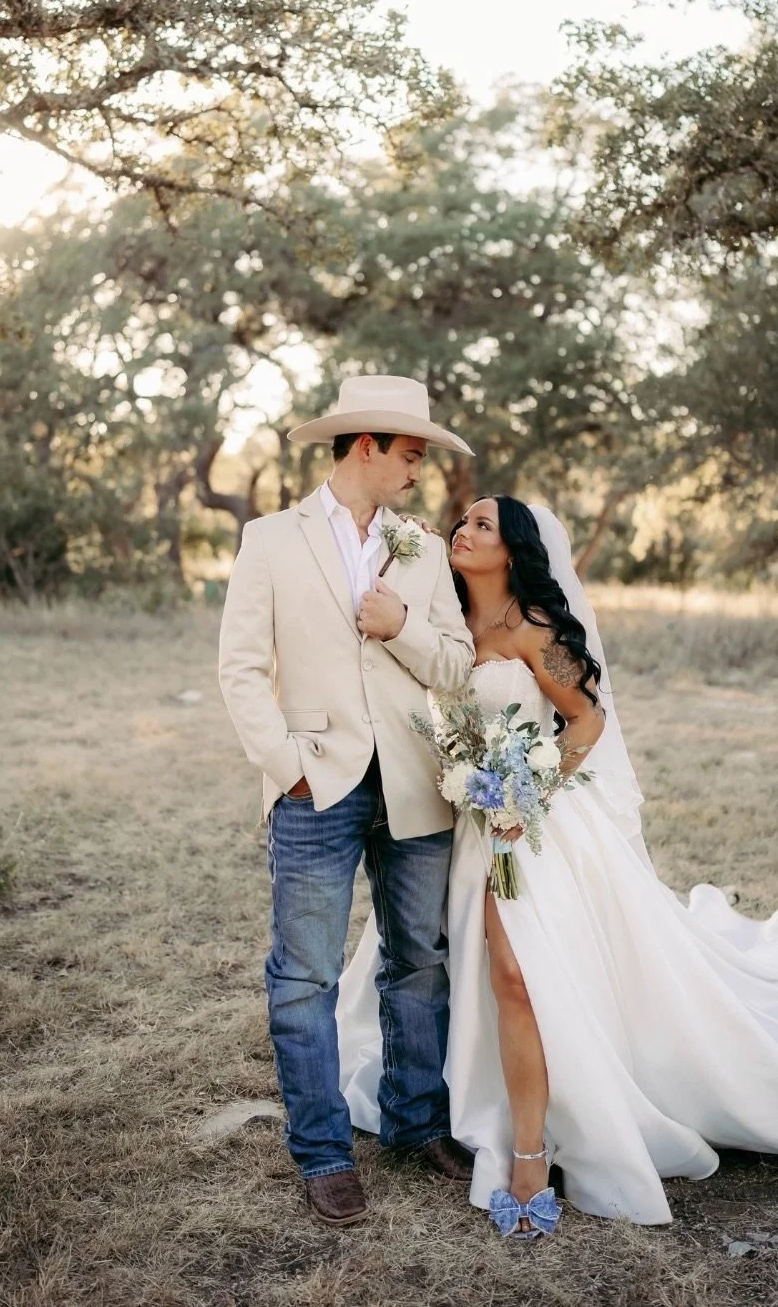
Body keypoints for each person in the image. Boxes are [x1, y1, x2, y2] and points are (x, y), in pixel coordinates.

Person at [338, 495, 778, 1236]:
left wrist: (527, 793)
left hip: (530, 830)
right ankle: (469, 1106)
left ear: (514, 550)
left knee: (516, 975)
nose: (463, 531)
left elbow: (587, 718)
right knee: (469, 972)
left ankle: (529, 1156)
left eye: (482, 525)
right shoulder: (440, 625)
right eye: (461, 521)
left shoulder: (534, 629)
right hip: (460, 826)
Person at [218, 375, 477, 1227]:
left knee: (420, 965)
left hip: (414, 786)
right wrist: (287, 765)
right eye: (411, 454)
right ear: (365, 445)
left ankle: (416, 1124)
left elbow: (456, 665)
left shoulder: (424, 549)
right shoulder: (269, 540)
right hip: (315, 786)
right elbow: (242, 669)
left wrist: (399, 625)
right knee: (304, 978)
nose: (419, 471)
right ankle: (324, 1151)